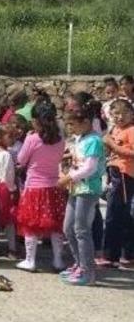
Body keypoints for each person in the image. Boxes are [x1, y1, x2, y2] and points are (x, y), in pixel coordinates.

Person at [58, 102, 107, 286]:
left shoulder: (94, 140)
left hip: (88, 190)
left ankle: (88, 272)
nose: (70, 128)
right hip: (76, 188)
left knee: (81, 230)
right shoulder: (81, 138)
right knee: (68, 228)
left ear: (86, 122)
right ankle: (79, 264)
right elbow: (79, 160)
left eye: (73, 124)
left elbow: (89, 168)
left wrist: (67, 178)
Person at [15, 102, 67, 273]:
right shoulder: (60, 139)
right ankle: (58, 260)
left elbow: (21, 160)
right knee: (56, 224)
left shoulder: (32, 138)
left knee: (30, 223)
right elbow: (59, 158)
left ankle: (30, 260)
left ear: (36, 120)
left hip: (34, 187)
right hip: (54, 186)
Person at [101, 99, 134, 268]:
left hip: (124, 174)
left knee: (116, 215)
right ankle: (118, 253)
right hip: (114, 172)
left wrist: (112, 145)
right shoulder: (116, 129)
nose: (119, 117)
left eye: (123, 113)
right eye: (115, 114)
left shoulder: (131, 130)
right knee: (116, 214)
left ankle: (113, 255)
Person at [0, 124, 18, 258]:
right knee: (9, 220)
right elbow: (9, 175)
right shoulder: (7, 155)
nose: (12, 139)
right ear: (0, 138)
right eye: (9, 136)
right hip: (4, 189)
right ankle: (12, 248)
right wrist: (12, 190)